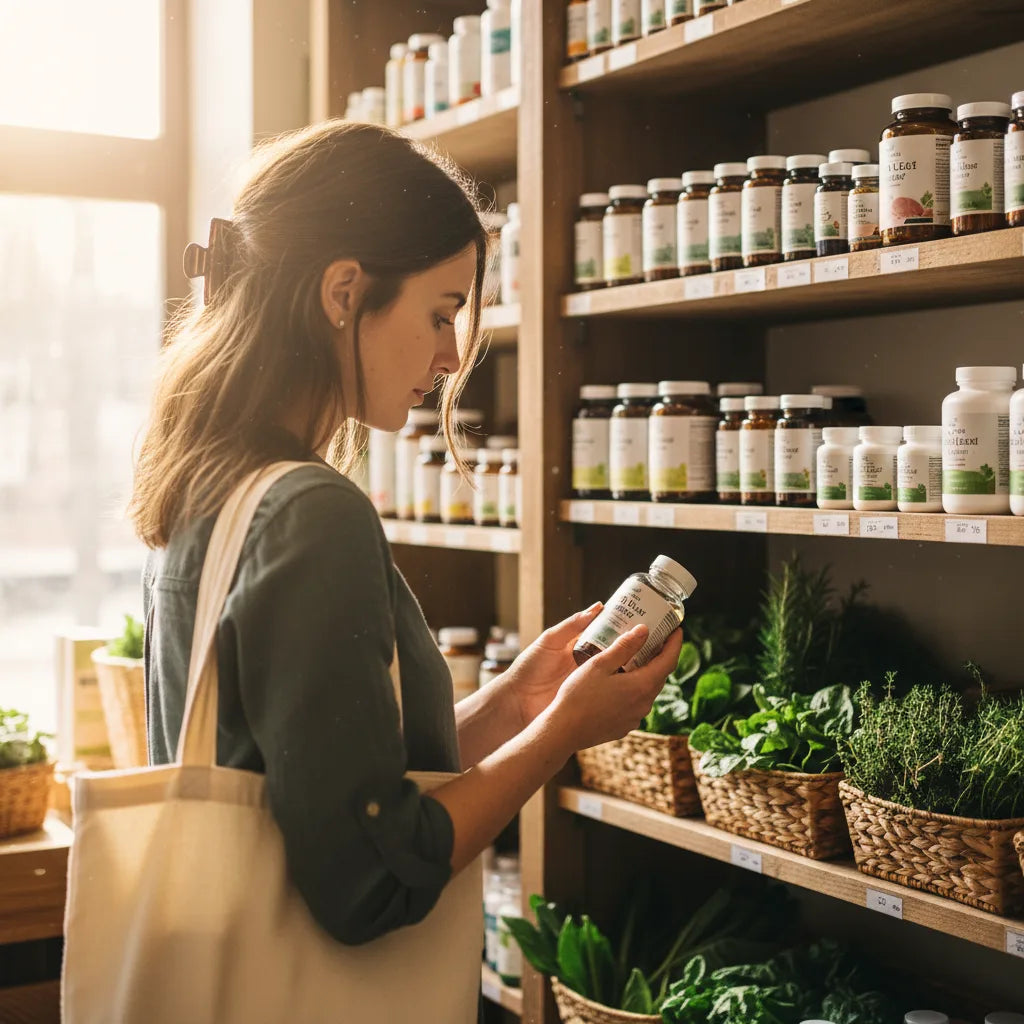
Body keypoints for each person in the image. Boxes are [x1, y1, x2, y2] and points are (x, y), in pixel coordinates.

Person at [130, 121, 680, 965]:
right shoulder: (310, 512)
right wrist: (559, 736)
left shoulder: (211, 483)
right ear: (343, 291)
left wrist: (511, 706)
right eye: (442, 311)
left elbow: (320, 774)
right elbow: (370, 879)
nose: (453, 354)